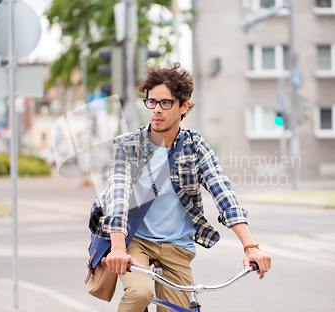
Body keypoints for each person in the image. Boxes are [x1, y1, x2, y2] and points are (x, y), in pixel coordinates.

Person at [90, 63, 271, 312]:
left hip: (177, 245)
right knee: (140, 293)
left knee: (179, 309)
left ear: (183, 106)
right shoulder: (128, 145)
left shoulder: (195, 147)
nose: (156, 110)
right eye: (151, 102)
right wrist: (118, 249)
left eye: (165, 103)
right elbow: (117, 197)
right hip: (135, 242)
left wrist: (251, 247)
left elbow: (224, 194)